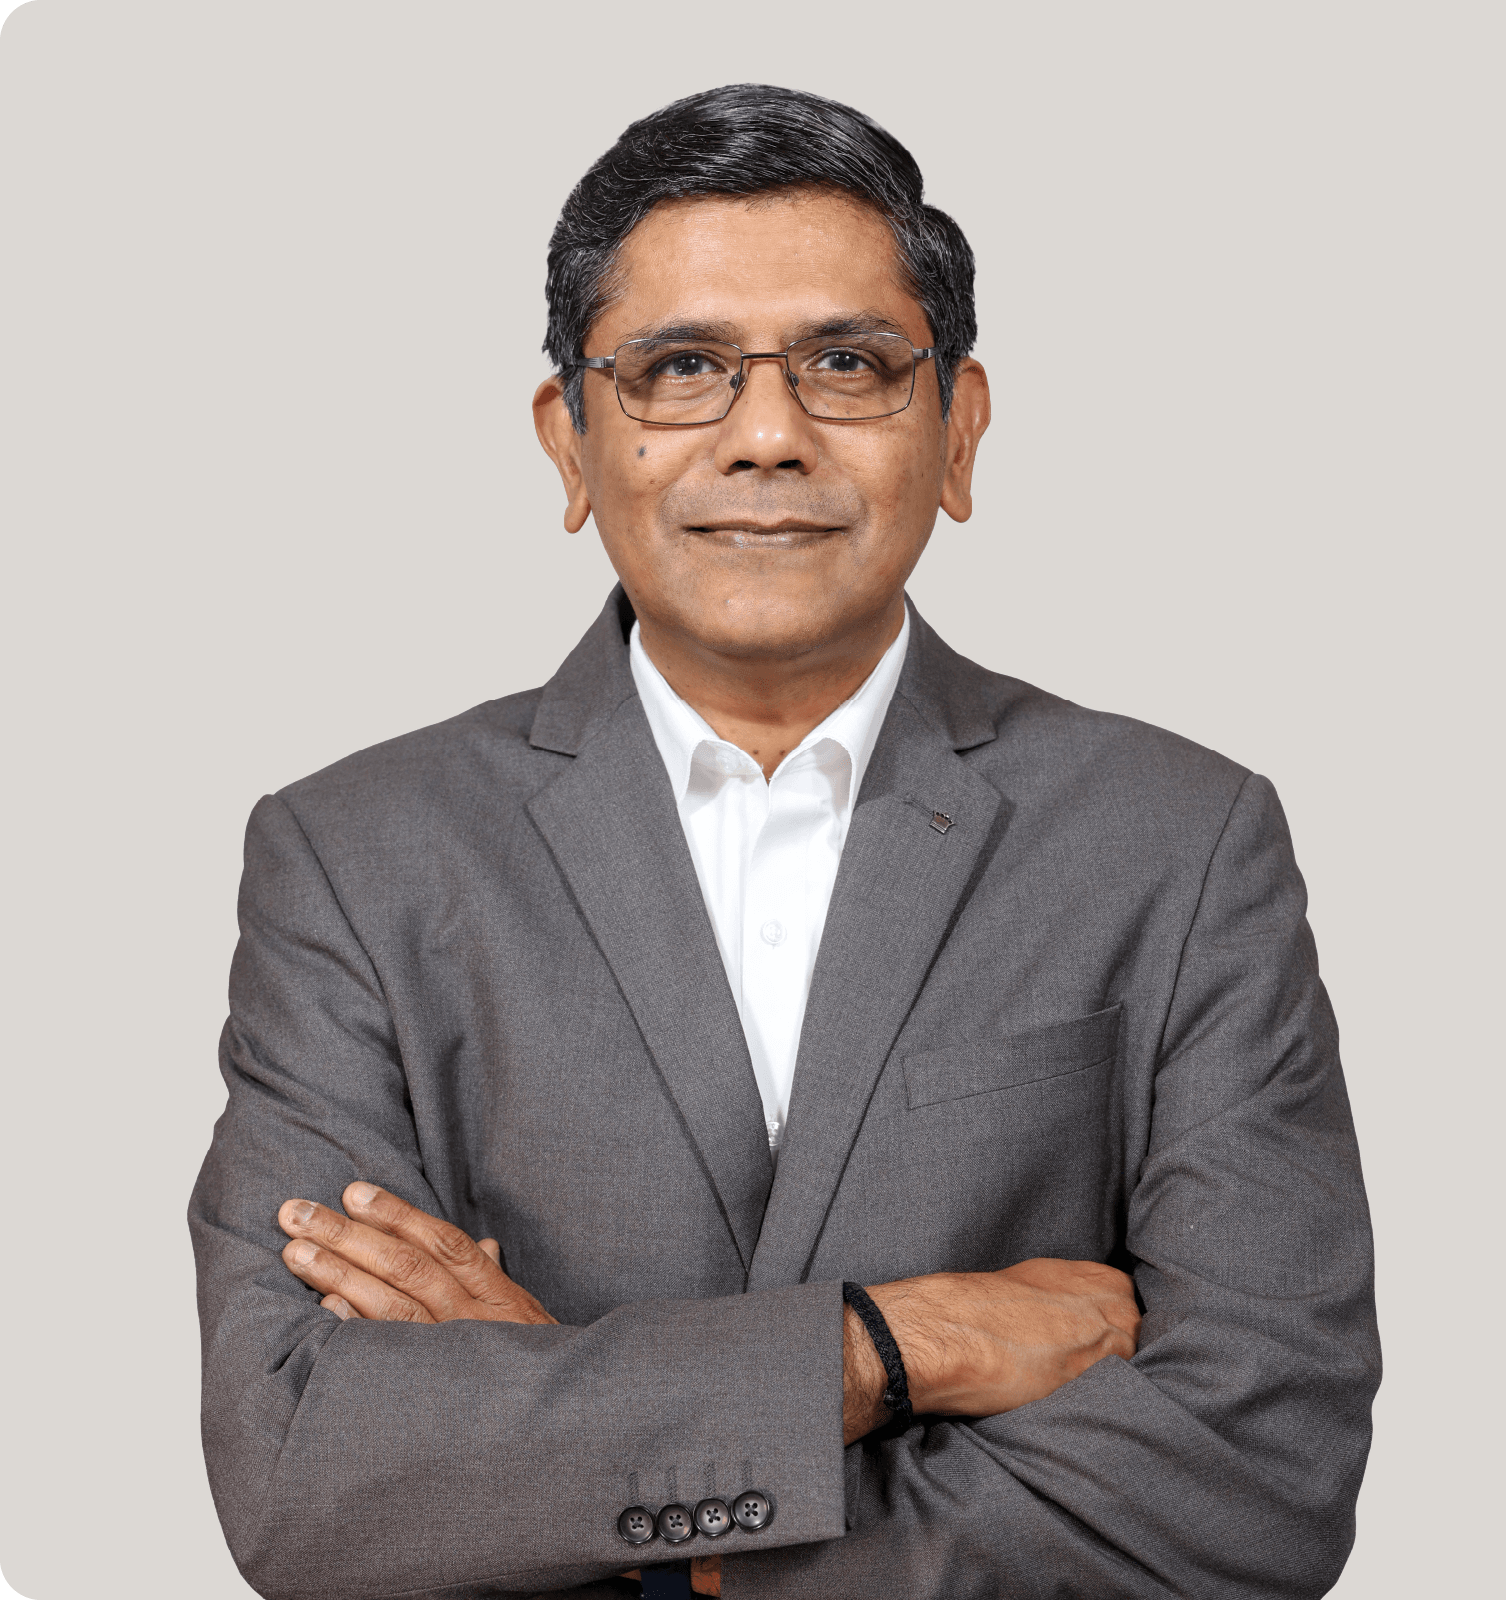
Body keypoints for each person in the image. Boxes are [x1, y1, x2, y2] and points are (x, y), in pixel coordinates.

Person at [189, 83, 1380, 1600]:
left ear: (959, 427)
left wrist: (606, 1499)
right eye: (681, 368)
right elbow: (309, 1476)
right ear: (571, 441)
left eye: (847, 364)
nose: (766, 436)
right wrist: (901, 1342)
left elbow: (1260, 1478)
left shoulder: (1181, 841)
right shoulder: (356, 858)